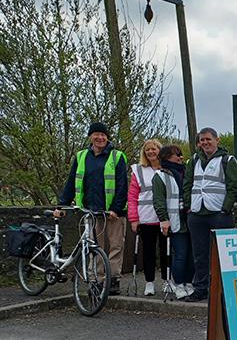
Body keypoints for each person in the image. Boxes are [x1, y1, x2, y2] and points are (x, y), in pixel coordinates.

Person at [58, 121, 128, 295]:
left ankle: (112, 280)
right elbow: (71, 182)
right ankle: (96, 280)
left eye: (103, 135)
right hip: (89, 211)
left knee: (115, 247)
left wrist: (116, 209)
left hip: (112, 213)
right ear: (90, 137)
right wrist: (62, 205)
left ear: (107, 137)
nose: (100, 137)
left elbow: (122, 185)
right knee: (94, 248)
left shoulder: (117, 156)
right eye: (96, 134)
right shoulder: (81, 156)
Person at [182, 127, 237, 302]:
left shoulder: (227, 160)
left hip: (218, 213)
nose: (205, 143)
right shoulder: (193, 160)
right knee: (200, 254)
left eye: (208, 139)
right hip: (197, 212)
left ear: (217, 140)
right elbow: (187, 183)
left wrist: (226, 208)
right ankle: (201, 288)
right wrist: (188, 206)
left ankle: (225, 290)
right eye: (202, 140)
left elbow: (234, 185)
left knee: (223, 254)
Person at [128, 139, 169, 296]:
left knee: (166, 250)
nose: (151, 152)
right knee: (148, 252)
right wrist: (133, 218)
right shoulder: (138, 170)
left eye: (154, 149)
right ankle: (149, 282)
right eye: (147, 150)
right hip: (146, 217)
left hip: (165, 217)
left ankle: (167, 280)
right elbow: (132, 197)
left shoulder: (167, 169)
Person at [153, 144, 194, 300]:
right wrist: (164, 219)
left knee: (191, 255)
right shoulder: (160, 175)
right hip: (175, 220)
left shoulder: (186, 172)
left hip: (189, 218)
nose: (180, 157)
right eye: (177, 154)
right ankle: (178, 283)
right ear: (167, 157)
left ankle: (189, 282)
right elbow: (158, 200)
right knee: (181, 255)